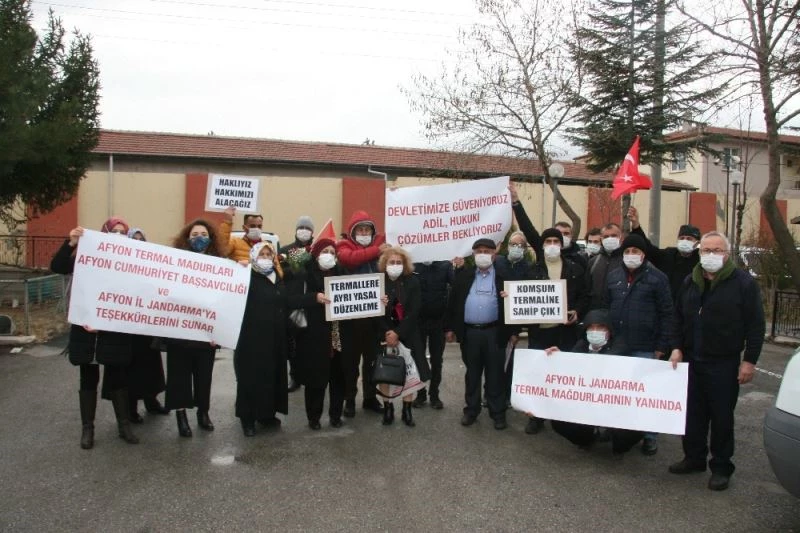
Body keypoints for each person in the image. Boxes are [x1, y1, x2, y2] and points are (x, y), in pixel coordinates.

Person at [668, 231, 765, 491]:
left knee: (722, 417)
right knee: (693, 414)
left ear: (727, 253)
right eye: (706, 250)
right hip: (691, 359)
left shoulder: (743, 283)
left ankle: (721, 466)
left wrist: (749, 361)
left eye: (717, 250)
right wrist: (676, 347)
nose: (710, 255)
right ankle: (694, 458)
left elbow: (756, 326)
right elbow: (677, 318)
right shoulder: (691, 281)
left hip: (723, 362)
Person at [51, 218, 138, 448]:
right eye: (114, 231)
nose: (118, 235)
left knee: (118, 377)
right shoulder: (84, 258)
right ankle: (87, 429)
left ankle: (124, 425)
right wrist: (70, 243)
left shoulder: (131, 262)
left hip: (115, 331)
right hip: (86, 329)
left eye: (123, 232)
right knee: (88, 378)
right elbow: (58, 266)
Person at [606, 233, 673, 455]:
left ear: (644, 255)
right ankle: (613, 428)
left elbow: (667, 314)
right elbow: (607, 306)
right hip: (618, 344)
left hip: (646, 345)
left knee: (646, 394)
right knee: (617, 391)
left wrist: (661, 346)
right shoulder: (614, 276)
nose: (631, 255)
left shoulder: (657, 278)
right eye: (627, 251)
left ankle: (649, 436)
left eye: (636, 251)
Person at [545, 309, 644, 456]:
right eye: (591, 328)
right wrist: (560, 357)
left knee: (636, 428)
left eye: (600, 327)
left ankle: (619, 446)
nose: (595, 331)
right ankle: (586, 439)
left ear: (609, 330)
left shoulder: (621, 346)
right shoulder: (581, 345)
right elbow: (569, 369)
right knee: (558, 422)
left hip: (614, 405)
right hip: (586, 404)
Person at [445, 238, 517, 430]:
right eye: (478, 251)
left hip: (494, 332)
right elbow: (453, 303)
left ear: (494, 254)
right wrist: (450, 329)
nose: (482, 254)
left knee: (495, 374)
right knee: (473, 373)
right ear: (473, 254)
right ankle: (471, 410)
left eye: (486, 251)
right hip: (470, 333)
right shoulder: (465, 276)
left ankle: (498, 412)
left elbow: (515, 305)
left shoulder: (504, 276)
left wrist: (513, 331)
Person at [523, 227, 588, 435]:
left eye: (556, 241)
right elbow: (522, 297)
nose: (552, 244)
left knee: (561, 375)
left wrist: (577, 311)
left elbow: (585, 295)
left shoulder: (574, 269)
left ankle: (561, 415)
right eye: (548, 241)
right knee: (538, 375)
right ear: (542, 245)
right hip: (539, 332)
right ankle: (537, 417)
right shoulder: (532, 270)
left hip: (563, 331)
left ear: (561, 244)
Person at [165, 219, 226, 437]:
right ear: (186, 238)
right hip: (179, 332)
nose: (198, 237)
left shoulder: (220, 264)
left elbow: (224, 300)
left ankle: (203, 412)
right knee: (179, 377)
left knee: (203, 376)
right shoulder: (175, 262)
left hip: (205, 334)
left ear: (210, 238)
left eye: (203, 233)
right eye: (194, 234)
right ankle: (181, 417)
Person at [336, 210, 389, 416]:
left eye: (368, 230)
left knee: (371, 361)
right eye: (360, 230)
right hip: (350, 319)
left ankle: (369, 398)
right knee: (350, 363)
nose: (364, 233)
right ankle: (350, 399)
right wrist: (377, 250)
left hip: (373, 319)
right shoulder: (344, 245)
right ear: (352, 232)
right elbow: (349, 259)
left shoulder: (383, 247)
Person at [234, 242, 289, 436]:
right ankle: (247, 418)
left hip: (275, 339)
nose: (266, 258)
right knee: (250, 378)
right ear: (253, 256)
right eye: (262, 254)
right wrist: (238, 269)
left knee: (271, 376)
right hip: (251, 339)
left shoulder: (277, 277)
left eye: (269, 254)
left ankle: (266, 414)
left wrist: (314, 298)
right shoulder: (246, 275)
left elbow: (287, 301)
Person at [292, 238, 348, 430]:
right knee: (315, 379)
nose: (329, 255)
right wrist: (314, 298)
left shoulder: (341, 273)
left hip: (337, 334)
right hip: (314, 335)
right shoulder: (305, 274)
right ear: (315, 254)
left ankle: (335, 415)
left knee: (338, 377)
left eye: (333, 252)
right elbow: (292, 299)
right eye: (325, 251)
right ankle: (314, 417)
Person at [376, 247, 431, 427]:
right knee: (384, 373)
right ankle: (388, 408)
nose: (395, 265)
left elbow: (415, 311)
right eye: (392, 262)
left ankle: (407, 410)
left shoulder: (412, 281)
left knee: (410, 373)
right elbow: (374, 312)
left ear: (405, 264)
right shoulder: (377, 282)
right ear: (385, 264)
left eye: (399, 262)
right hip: (384, 333)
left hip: (408, 333)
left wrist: (398, 333)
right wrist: (388, 332)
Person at [125, 227, 169, 423]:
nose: (138, 242)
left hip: (148, 324)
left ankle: (152, 401)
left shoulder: (151, 264)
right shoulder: (121, 265)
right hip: (128, 326)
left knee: (151, 366)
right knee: (132, 368)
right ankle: (131, 408)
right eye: (134, 239)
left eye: (141, 239)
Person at [628, 206, 701, 301]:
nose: (684, 241)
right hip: (667, 305)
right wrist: (636, 225)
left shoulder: (701, 261)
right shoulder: (669, 255)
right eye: (682, 238)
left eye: (689, 239)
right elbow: (649, 249)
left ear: (697, 242)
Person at [279, 215, 316, 393]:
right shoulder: (286, 250)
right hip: (292, 303)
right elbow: (280, 273)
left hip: (312, 303)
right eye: (301, 227)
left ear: (312, 232)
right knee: (292, 342)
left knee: (308, 343)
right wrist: (296, 264)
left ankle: (307, 374)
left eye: (307, 228)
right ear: (296, 230)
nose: (304, 231)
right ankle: (294, 376)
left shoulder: (316, 251)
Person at [411, 259, 453, 409]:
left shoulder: (445, 265)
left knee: (437, 360)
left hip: (438, 322)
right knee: (418, 359)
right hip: (418, 322)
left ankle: (434, 394)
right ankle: (420, 393)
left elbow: (455, 287)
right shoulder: (413, 266)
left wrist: (448, 327)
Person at [587, 222, 624, 309]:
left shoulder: (626, 261)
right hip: (597, 313)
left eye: (613, 235)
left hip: (619, 313)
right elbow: (587, 290)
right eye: (606, 236)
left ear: (621, 237)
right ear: (601, 239)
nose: (610, 239)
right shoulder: (593, 262)